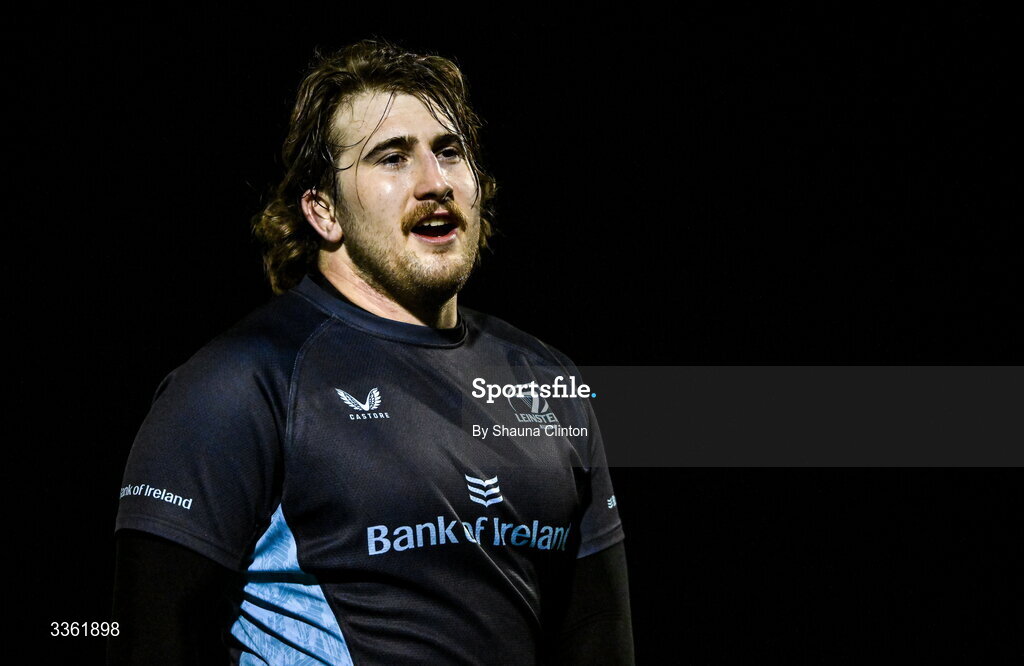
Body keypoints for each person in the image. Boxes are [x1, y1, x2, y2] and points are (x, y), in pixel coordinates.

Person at [110, 40, 633, 665]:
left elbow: (599, 635)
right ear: (323, 210)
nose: (434, 182)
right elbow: (149, 640)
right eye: (392, 158)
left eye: (449, 152)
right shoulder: (237, 385)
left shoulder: (547, 380)